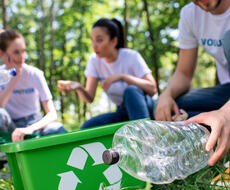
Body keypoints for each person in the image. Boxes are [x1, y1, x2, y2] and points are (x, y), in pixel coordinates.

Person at [155, 0, 230, 166]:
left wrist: (226, 113)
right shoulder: (190, 14)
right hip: (225, 92)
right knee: (176, 108)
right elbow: (183, 73)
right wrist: (166, 94)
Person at [58, 18, 157, 129]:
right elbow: (89, 98)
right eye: (92, 40)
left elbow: (152, 88)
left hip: (144, 107)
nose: (94, 45)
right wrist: (79, 88)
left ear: (114, 41)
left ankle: (147, 137)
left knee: (131, 91)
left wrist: (122, 77)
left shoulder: (131, 56)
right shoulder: (94, 61)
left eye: (99, 40)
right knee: (88, 126)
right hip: (123, 112)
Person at [0, 29, 66, 142]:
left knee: (56, 128)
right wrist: (15, 78)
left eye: (23, 51)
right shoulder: (1, 75)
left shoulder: (35, 74)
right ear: (3, 54)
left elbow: (52, 114)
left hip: (35, 124)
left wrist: (29, 129)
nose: (22, 57)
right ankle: (5, 155)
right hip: (11, 127)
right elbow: (1, 106)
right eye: (16, 52)